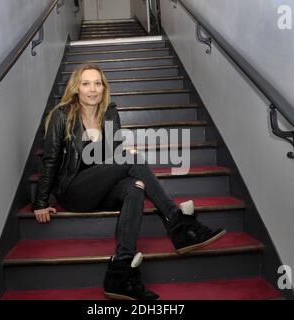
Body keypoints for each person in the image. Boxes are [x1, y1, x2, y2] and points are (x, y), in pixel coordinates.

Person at [32, 63, 226, 300]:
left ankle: (121, 272)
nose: (92, 89)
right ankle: (177, 222)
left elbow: (111, 157)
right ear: (76, 88)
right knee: (129, 157)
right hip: (74, 190)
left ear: (104, 88)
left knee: (135, 189)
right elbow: (50, 159)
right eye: (86, 83)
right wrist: (40, 201)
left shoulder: (110, 113)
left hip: (102, 187)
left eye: (97, 83)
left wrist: (130, 170)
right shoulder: (61, 115)